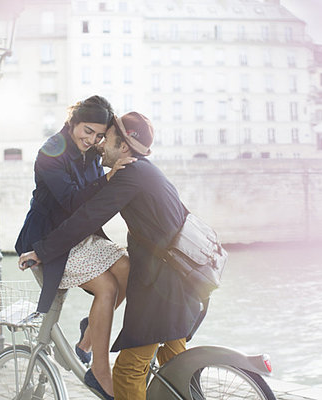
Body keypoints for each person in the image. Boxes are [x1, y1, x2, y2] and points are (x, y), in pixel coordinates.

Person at [19, 111, 204, 400]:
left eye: (107, 139)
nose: (100, 144)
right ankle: (90, 334)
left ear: (125, 147)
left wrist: (42, 250)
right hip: (183, 285)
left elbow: (86, 217)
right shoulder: (146, 171)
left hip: (162, 290)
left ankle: (91, 343)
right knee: (176, 369)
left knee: (127, 373)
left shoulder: (130, 175)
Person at [15, 95, 134, 400]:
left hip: (79, 234)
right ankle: (100, 371)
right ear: (73, 122)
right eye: (87, 130)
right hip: (50, 239)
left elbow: (93, 203)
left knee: (128, 270)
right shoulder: (50, 152)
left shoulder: (92, 151)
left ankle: (86, 339)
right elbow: (70, 200)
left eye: (99, 135)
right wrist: (108, 176)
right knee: (107, 288)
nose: (92, 139)